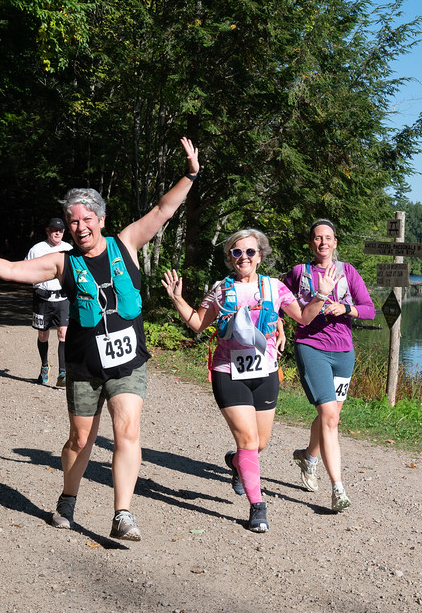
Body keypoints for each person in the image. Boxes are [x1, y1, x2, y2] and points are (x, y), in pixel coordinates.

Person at [0, 137, 201, 541]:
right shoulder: (62, 262)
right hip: (84, 364)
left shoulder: (126, 242)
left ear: (101, 219)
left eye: (85, 219)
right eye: (72, 221)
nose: (79, 227)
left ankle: (122, 513)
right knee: (80, 440)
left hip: (128, 362)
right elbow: (10, 270)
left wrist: (191, 174)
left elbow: (164, 210)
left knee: (127, 430)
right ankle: (68, 497)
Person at [160, 229, 336, 533]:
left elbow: (304, 318)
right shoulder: (220, 289)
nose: (244, 257)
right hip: (229, 371)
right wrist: (177, 299)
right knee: (249, 441)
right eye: (237, 252)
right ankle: (258, 506)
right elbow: (198, 324)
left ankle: (237, 462)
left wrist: (322, 294)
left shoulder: (276, 288)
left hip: (265, 372)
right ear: (230, 257)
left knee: (260, 443)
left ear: (260, 256)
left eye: (250, 252)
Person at [282, 219, 375, 513]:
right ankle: (338, 489)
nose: (323, 242)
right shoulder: (300, 273)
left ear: (335, 243)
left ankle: (308, 456)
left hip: (344, 352)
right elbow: (277, 300)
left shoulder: (347, 272)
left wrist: (345, 308)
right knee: (329, 417)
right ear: (311, 244)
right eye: (317, 238)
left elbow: (370, 310)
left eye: (328, 238)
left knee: (331, 416)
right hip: (311, 348)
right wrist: (276, 326)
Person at [26, 218, 73, 387]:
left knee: (63, 334)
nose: (57, 233)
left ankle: (63, 372)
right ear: (47, 231)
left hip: (62, 299)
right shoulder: (37, 249)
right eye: (54, 230)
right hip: (42, 299)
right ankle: (45, 365)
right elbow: (25, 269)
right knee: (43, 335)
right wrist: (34, 283)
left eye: (60, 230)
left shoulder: (68, 249)